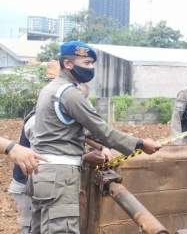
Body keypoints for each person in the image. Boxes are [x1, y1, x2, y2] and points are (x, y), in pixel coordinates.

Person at [29, 41, 160, 234]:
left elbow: (81, 129)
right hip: (60, 176)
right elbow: (101, 130)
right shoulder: (69, 94)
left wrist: (101, 145)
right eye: (87, 62)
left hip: (42, 174)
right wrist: (140, 144)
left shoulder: (50, 89)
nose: (91, 68)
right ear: (68, 64)